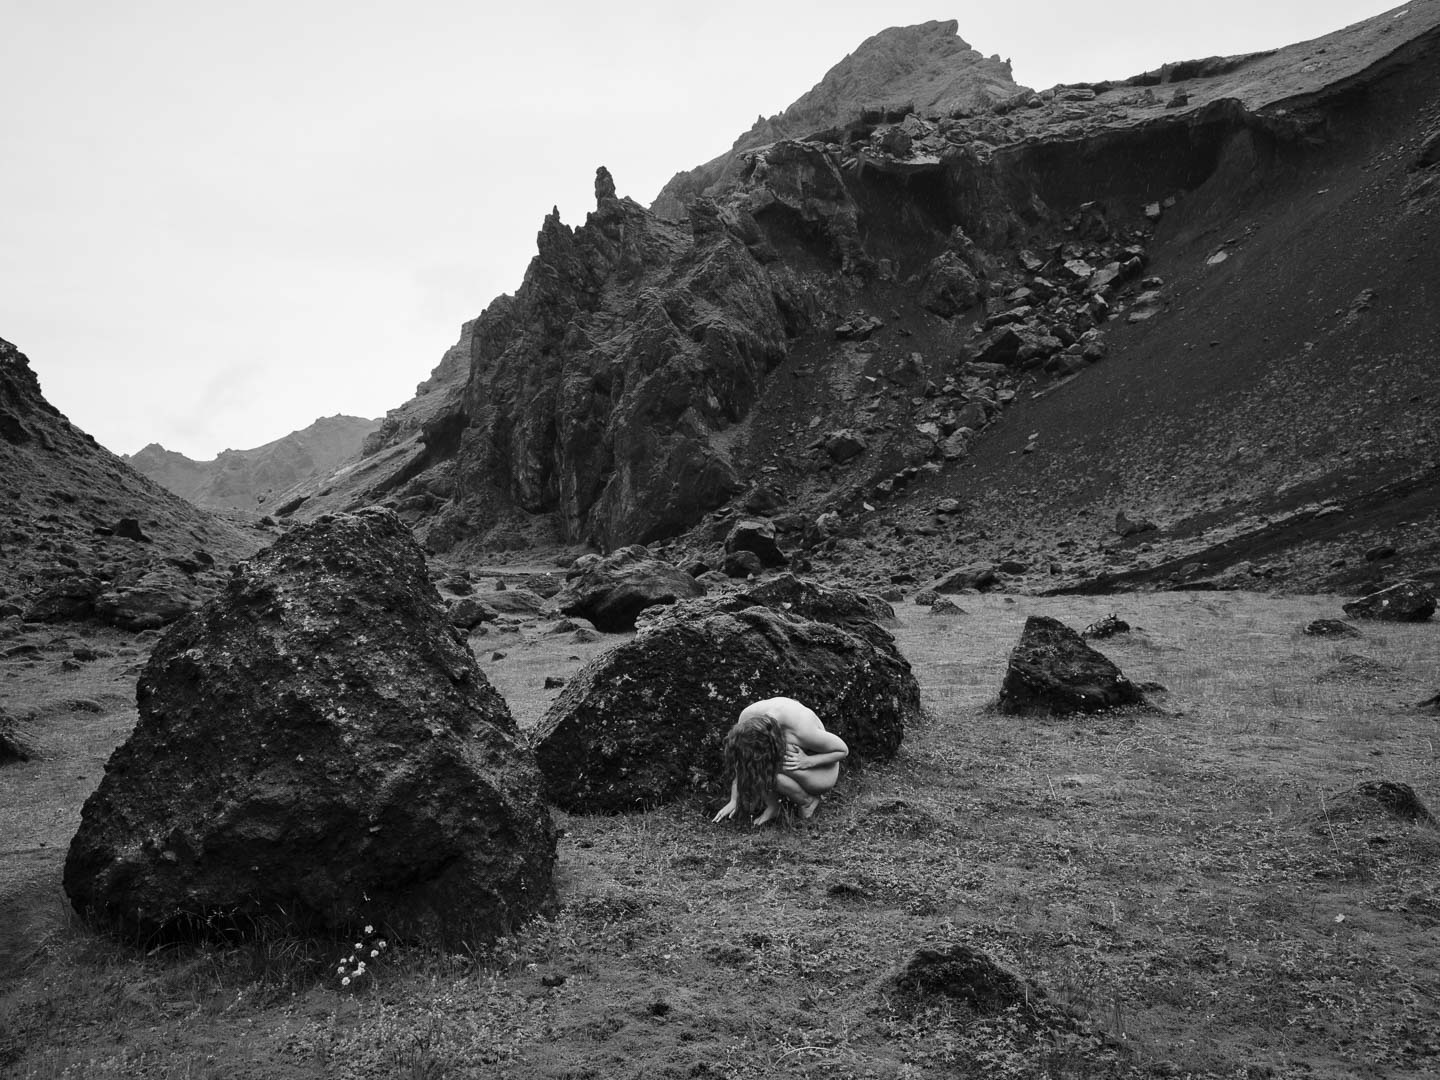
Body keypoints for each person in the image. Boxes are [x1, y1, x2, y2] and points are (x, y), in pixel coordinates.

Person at [712, 697, 849, 826]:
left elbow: (842, 750)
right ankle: (773, 806)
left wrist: (807, 761)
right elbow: (744, 756)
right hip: (795, 762)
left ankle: (807, 801)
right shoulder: (747, 717)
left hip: (821, 773)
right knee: (761, 762)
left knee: (774, 761)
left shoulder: (802, 729)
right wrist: (734, 799)